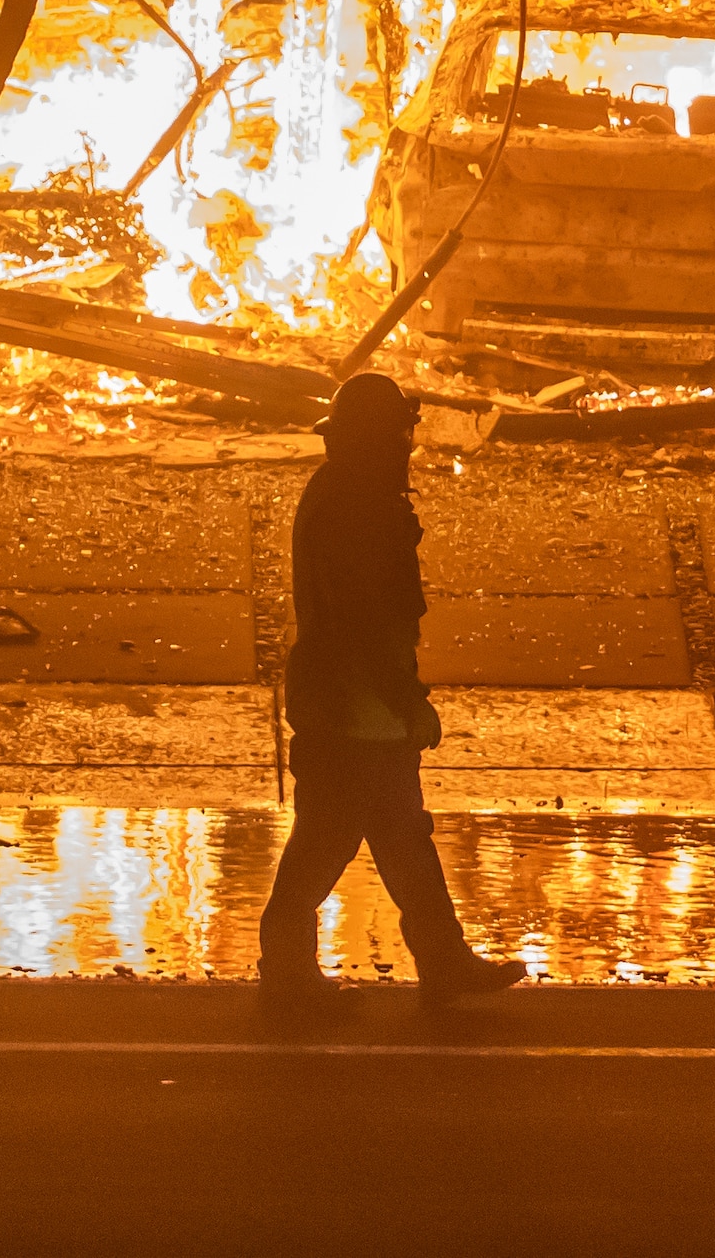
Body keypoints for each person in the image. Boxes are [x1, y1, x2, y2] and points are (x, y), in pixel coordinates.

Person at [257, 370, 525, 1006]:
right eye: (399, 436)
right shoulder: (357, 510)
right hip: (354, 711)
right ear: (377, 441)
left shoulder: (341, 495)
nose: (407, 448)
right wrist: (406, 702)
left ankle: (440, 960)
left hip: (352, 705)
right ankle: (291, 969)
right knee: (328, 840)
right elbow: (362, 623)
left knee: (400, 837)